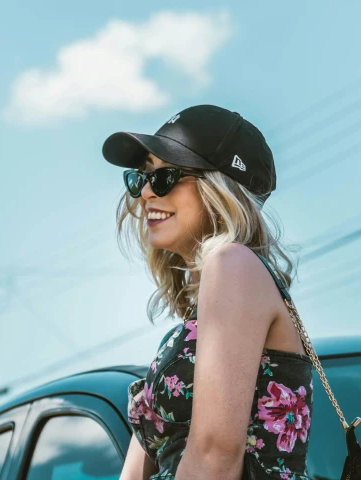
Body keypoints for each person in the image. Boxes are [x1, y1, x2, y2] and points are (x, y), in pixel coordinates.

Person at [102, 105, 314, 480]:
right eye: (141, 178)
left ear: (220, 187)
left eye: (164, 176)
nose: (146, 193)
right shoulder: (204, 310)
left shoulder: (233, 265)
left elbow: (214, 458)